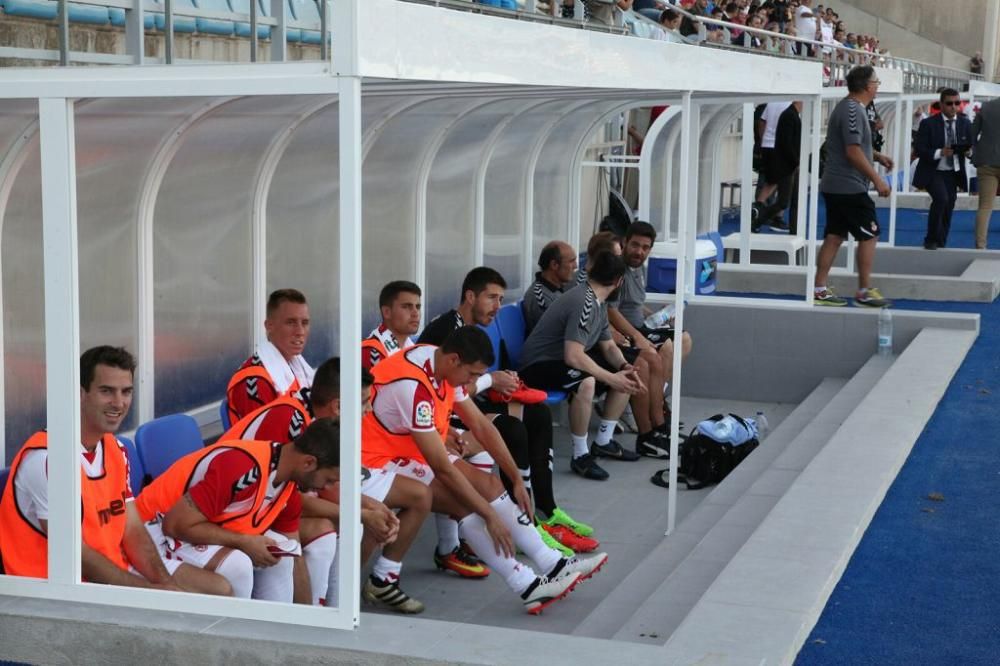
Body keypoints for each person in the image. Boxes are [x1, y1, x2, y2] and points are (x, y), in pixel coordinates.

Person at [362, 326, 607, 614]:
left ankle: (554, 563)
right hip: (375, 461)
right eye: (474, 375)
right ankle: (526, 584)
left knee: (490, 486)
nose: (475, 382)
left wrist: (515, 478)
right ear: (454, 360)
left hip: (406, 452)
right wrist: (490, 516)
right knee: (465, 505)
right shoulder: (412, 387)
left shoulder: (439, 362)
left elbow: (480, 424)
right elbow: (441, 467)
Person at [0, 346, 228, 596]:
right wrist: (156, 596)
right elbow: (77, 555)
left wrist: (166, 586)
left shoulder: (115, 448)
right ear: (80, 393)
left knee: (220, 590)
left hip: (107, 573)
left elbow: (131, 530)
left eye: (126, 392)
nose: (119, 403)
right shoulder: (47, 460)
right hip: (54, 591)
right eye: (106, 391)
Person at [222, 359, 430, 613]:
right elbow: (291, 500)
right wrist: (362, 514)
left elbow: (327, 487)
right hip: (233, 506)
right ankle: (322, 614)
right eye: (364, 402)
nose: (368, 410)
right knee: (330, 529)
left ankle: (336, 609)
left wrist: (375, 508)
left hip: (263, 504)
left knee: (353, 521)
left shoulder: (323, 419)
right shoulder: (290, 418)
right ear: (339, 406)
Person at [420, 267, 597, 555]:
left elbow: (462, 387)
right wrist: (492, 379)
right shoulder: (449, 330)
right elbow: (443, 392)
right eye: (492, 298)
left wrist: (496, 381)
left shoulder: (466, 327)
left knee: (537, 414)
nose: (498, 307)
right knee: (511, 429)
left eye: (501, 299)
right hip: (441, 419)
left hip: (462, 406)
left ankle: (547, 511)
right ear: (470, 296)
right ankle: (525, 523)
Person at [137, 418, 342, 604]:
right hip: (147, 531)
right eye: (329, 479)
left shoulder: (288, 486)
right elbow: (174, 524)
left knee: (280, 555)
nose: (327, 487)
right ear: (308, 463)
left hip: (184, 530)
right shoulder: (243, 467)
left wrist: (309, 625)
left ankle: (276, 635)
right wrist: (244, 542)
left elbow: (294, 555)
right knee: (238, 565)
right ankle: (240, 641)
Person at [520, 250, 646, 481]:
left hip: (560, 360)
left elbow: (608, 346)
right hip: (538, 365)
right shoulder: (584, 302)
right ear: (619, 281)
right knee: (586, 383)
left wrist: (624, 367)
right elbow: (573, 356)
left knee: (623, 373)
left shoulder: (598, 301)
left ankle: (603, 442)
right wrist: (610, 378)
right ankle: (580, 456)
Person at [607, 222, 693, 459]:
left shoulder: (639, 269)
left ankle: (657, 419)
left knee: (683, 339)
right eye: (635, 245)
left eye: (645, 247)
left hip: (639, 328)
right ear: (625, 243)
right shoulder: (617, 270)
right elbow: (610, 311)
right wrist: (635, 336)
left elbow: (634, 306)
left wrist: (657, 316)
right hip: (624, 334)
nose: (639, 251)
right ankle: (652, 425)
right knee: (657, 355)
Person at [814, 65, 894, 308]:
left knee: (835, 236)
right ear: (867, 86)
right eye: (876, 82)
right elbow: (852, 151)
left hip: (838, 184)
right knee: (870, 234)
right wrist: (878, 179)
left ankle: (819, 289)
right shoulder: (852, 109)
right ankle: (864, 290)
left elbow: (848, 145)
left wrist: (877, 156)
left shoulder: (851, 108)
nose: (878, 86)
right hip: (847, 186)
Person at [226, 289, 314, 424]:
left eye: (305, 323)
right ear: (269, 326)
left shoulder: (298, 366)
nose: (300, 331)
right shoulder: (254, 382)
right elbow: (264, 440)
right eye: (291, 322)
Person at [913, 88, 972, 250]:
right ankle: (931, 239)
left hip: (953, 172)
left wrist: (969, 152)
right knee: (941, 199)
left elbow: (972, 147)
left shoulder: (965, 123)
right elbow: (919, 149)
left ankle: (941, 240)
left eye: (957, 103)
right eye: (949, 103)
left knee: (949, 203)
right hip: (933, 171)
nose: (954, 107)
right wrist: (940, 152)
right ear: (941, 104)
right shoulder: (928, 124)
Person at [755, 101, 803, 233]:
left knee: (770, 181)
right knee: (784, 189)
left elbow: (762, 122)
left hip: (768, 145)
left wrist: (762, 140)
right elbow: (787, 140)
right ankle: (773, 217)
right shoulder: (789, 111)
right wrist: (796, 160)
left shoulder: (772, 102)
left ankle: (758, 207)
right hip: (781, 152)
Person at [362, 281, 422, 371]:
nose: (415, 313)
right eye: (406, 306)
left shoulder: (413, 349)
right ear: (387, 312)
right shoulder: (373, 352)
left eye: (417, 307)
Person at [524, 241, 578, 333]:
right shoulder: (540, 297)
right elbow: (560, 333)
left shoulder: (561, 287)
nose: (575, 266)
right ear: (554, 265)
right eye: (571, 261)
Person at [972, 96, 1000, 249]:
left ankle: (980, 246)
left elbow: (973, 133)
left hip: (986, 162)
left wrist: (977, 152)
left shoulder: (986, 107)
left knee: (985, 207)